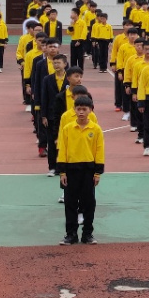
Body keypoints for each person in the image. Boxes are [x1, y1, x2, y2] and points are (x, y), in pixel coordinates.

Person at [56, 95, 105, 244]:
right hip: (71, 170)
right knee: (70, 202)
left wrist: (97, 172)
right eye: (78, 109)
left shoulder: (95, 129)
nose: (81, 112)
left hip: (88, 170)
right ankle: (71, 234)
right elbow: (63, 150)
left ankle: (87, 234)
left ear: (90, 110)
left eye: (84, 109)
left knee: (89, 202)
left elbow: (99, 150)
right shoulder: (67, 129)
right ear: (74, 110)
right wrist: (62, 172)